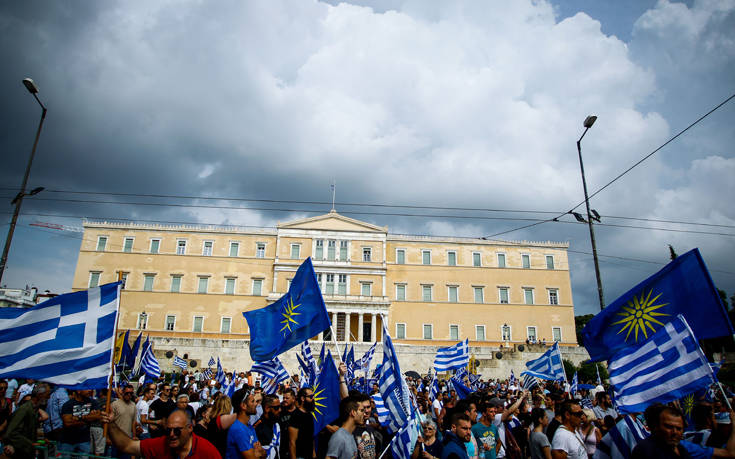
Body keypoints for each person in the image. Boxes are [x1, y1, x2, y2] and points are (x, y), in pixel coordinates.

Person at [103, 408, 221, 458]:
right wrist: (111, 423)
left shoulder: (207, 451)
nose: (171, 435)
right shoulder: (160, 444)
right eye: (168, 430)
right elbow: (127, 446)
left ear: (190, 428)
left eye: (177, 430)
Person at [631, 404, 735, 459]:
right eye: (668, 427)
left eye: (679, 428)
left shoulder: (683, 447)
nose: (674, 432)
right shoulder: (646, 450)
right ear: (656, 427)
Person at [1, 383, 50, 458]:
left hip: (27, 452)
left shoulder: (34, 409)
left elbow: (30, 429)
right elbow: (11, 433)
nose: (48, 397)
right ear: (40, 395)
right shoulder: (24, 409)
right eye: (47, 395)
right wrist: (31, 444)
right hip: (19, 452)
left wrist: (41, 440)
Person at [226, 387, 265, 459]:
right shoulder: (238, 429)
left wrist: (260, 452)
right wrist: (257, 453)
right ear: (243, 406)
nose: (256, 404)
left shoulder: (249, 427)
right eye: (252, 401)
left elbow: (263, 453)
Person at [60, 389, 101, 455]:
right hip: (67, 441)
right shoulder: (68, 404)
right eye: (86, 388)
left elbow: (98, 416)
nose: (90, 390)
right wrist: (88, 418)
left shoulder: (93, 402)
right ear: (79, 391)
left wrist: (79, 417)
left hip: (84, 440)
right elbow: (67, 422)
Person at [110, 385, 139, 458]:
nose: (129, 395)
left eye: (131, 393)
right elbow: (109, 422)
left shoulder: (133, 405)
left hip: (127, 440)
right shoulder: (115, 404)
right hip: (115, 439)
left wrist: (134, 436)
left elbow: (133, 423)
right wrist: (108, 437)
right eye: (127, 393)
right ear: (122, 392)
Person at [289, 388, 316, 459]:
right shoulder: (296, 416)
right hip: (299, 456)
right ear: (303, 398)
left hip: (309, 455)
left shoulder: (309, 415)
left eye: (313, 396)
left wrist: (313, 453)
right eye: (310, 397)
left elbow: (311, 436)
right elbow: (292, 442)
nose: (312, 399)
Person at [255, 395, 282, 459]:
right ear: (267, 408)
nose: (280, 410)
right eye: (276, 408)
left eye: (280, 407)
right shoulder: (258, 428)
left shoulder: (276, 424)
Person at [279, 389, 297, 459]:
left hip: (297, 448)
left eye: (287, 398)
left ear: (293, 399)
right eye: (283, 398)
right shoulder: (280, 412)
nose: (285, 400)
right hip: (283, 448)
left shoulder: (299, 413)